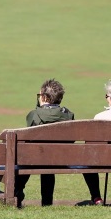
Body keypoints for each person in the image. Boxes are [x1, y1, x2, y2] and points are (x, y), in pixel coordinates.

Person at [14, 79, 74, 207]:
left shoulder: (34, 115)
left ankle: (16, 193)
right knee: (47, 159)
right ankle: (47, 202)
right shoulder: (69, 115)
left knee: (30, 158)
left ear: (44, 97)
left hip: (36, 159)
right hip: (61, 160)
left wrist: (39, 105)